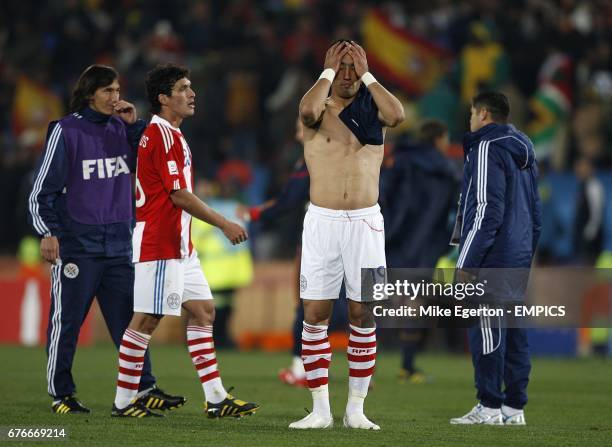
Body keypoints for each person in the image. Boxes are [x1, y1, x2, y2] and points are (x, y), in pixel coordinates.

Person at [27, 65, 184, 414]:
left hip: (118, 245)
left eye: (117, 90)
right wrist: (47, 232)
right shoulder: (65, 131)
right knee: (66, 323)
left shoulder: (122, 128)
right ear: (89, 94)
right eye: (108, 91)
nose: (116, 97)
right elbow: (41, 191)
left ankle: (143, 388)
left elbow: (151, 159)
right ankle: (61, 393)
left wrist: (134, 126)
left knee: (130, 323)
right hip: (77, 246)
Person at [111, 63, 259, 418]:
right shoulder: (162, 135)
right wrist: (224, 223)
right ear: (163, 98)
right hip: (160, 243)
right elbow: (179, 195)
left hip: (180, 246)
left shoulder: (169, 133)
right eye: (182, 88)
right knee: (146, 320)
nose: (191, 94)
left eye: (191, 87)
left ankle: (216, 398)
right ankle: (123, 402)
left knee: (204, 312)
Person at [289, 39, 404, 430]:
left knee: (364, 313)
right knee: (316, 314)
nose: (349, 75)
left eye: (355, 69)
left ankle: (355, 409)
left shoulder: (374, 111)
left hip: (367, 224)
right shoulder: (316, 111)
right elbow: (306, 109)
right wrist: (329, 68)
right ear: (329, 73)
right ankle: (320, 410)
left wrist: (367, 70)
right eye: (343, 69)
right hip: (322, 222)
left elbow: (399, 114)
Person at [450, 91, 541, 425]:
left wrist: (467, 263)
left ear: (484, 114)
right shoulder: (524, 148)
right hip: (516, 254)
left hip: (492, 256)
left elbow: (486, 211)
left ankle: (489, 406)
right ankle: (514, 408)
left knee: (487, 330)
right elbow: (535, 212)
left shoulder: (487, 147)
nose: (470, 121)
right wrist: (526, 253)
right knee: (515, 333)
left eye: (472, 114)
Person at [380, 120, 460, 383]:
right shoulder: (447, 170)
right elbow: (456, 212)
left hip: (392, 240)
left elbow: (381, 194)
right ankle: (407, 365)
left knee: (383, 303)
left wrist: (386, 227)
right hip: (426, 245)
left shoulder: (398, 160)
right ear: (438, 139)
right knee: (415, 304)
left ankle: (364, 367)